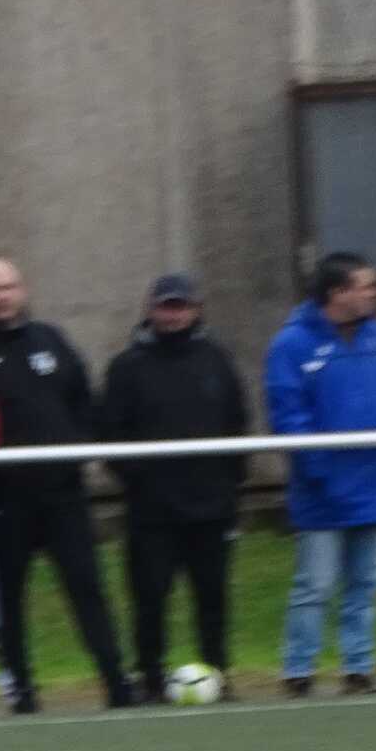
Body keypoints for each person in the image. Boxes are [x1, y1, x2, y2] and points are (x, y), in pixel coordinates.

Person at [0, 260, 136, 711]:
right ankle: (21, 690)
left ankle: (116, 682)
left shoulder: (51, 340)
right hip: (5, 501)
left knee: (86, 586)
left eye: (6, 287)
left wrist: (79, 448)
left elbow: (83, 400)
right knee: (9, 598)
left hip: (63, 495)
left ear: (21, 289)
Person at [265, 253, 376, 696]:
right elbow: (289, 414)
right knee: (316, 584)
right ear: (337, 293)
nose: (374, 293)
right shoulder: (292, 345)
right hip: (324, 492)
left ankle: (359, 666)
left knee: (366, 582)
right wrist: (318, 471)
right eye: (365, 285)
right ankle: (299, 669)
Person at [98, 273, 250, 699]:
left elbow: (237, 423)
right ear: (151, 310)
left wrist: (229, 484)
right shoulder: (127, 367)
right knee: (149, 598)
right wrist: (139, 481)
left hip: (211, 508)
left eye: (181, 306)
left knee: (212, 597)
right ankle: (149, 676)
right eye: (166, 306)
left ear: (196, 309)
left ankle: (217, 671)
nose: (173, 314)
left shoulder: (217, 360)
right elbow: (110, 433)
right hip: (152, 512)